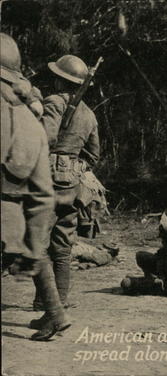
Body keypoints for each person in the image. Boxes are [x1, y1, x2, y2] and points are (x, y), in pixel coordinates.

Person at [0, 32, 71, 340]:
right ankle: (56, 313)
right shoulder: (32, 124)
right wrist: (30, 246)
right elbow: (43, 198)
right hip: (15, 232)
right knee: (49, 249)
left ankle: (55, 313)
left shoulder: (51, 106)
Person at [32, 54, 100, 310]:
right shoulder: (90, 115)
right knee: (61, 246)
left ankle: (48, 305)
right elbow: (93, 155)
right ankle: (56, 301)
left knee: (36, 244)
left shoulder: (54, 102)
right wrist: (71, 167)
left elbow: (45, 139)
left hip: (46, 180)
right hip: (72, 184)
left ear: (60, 81)